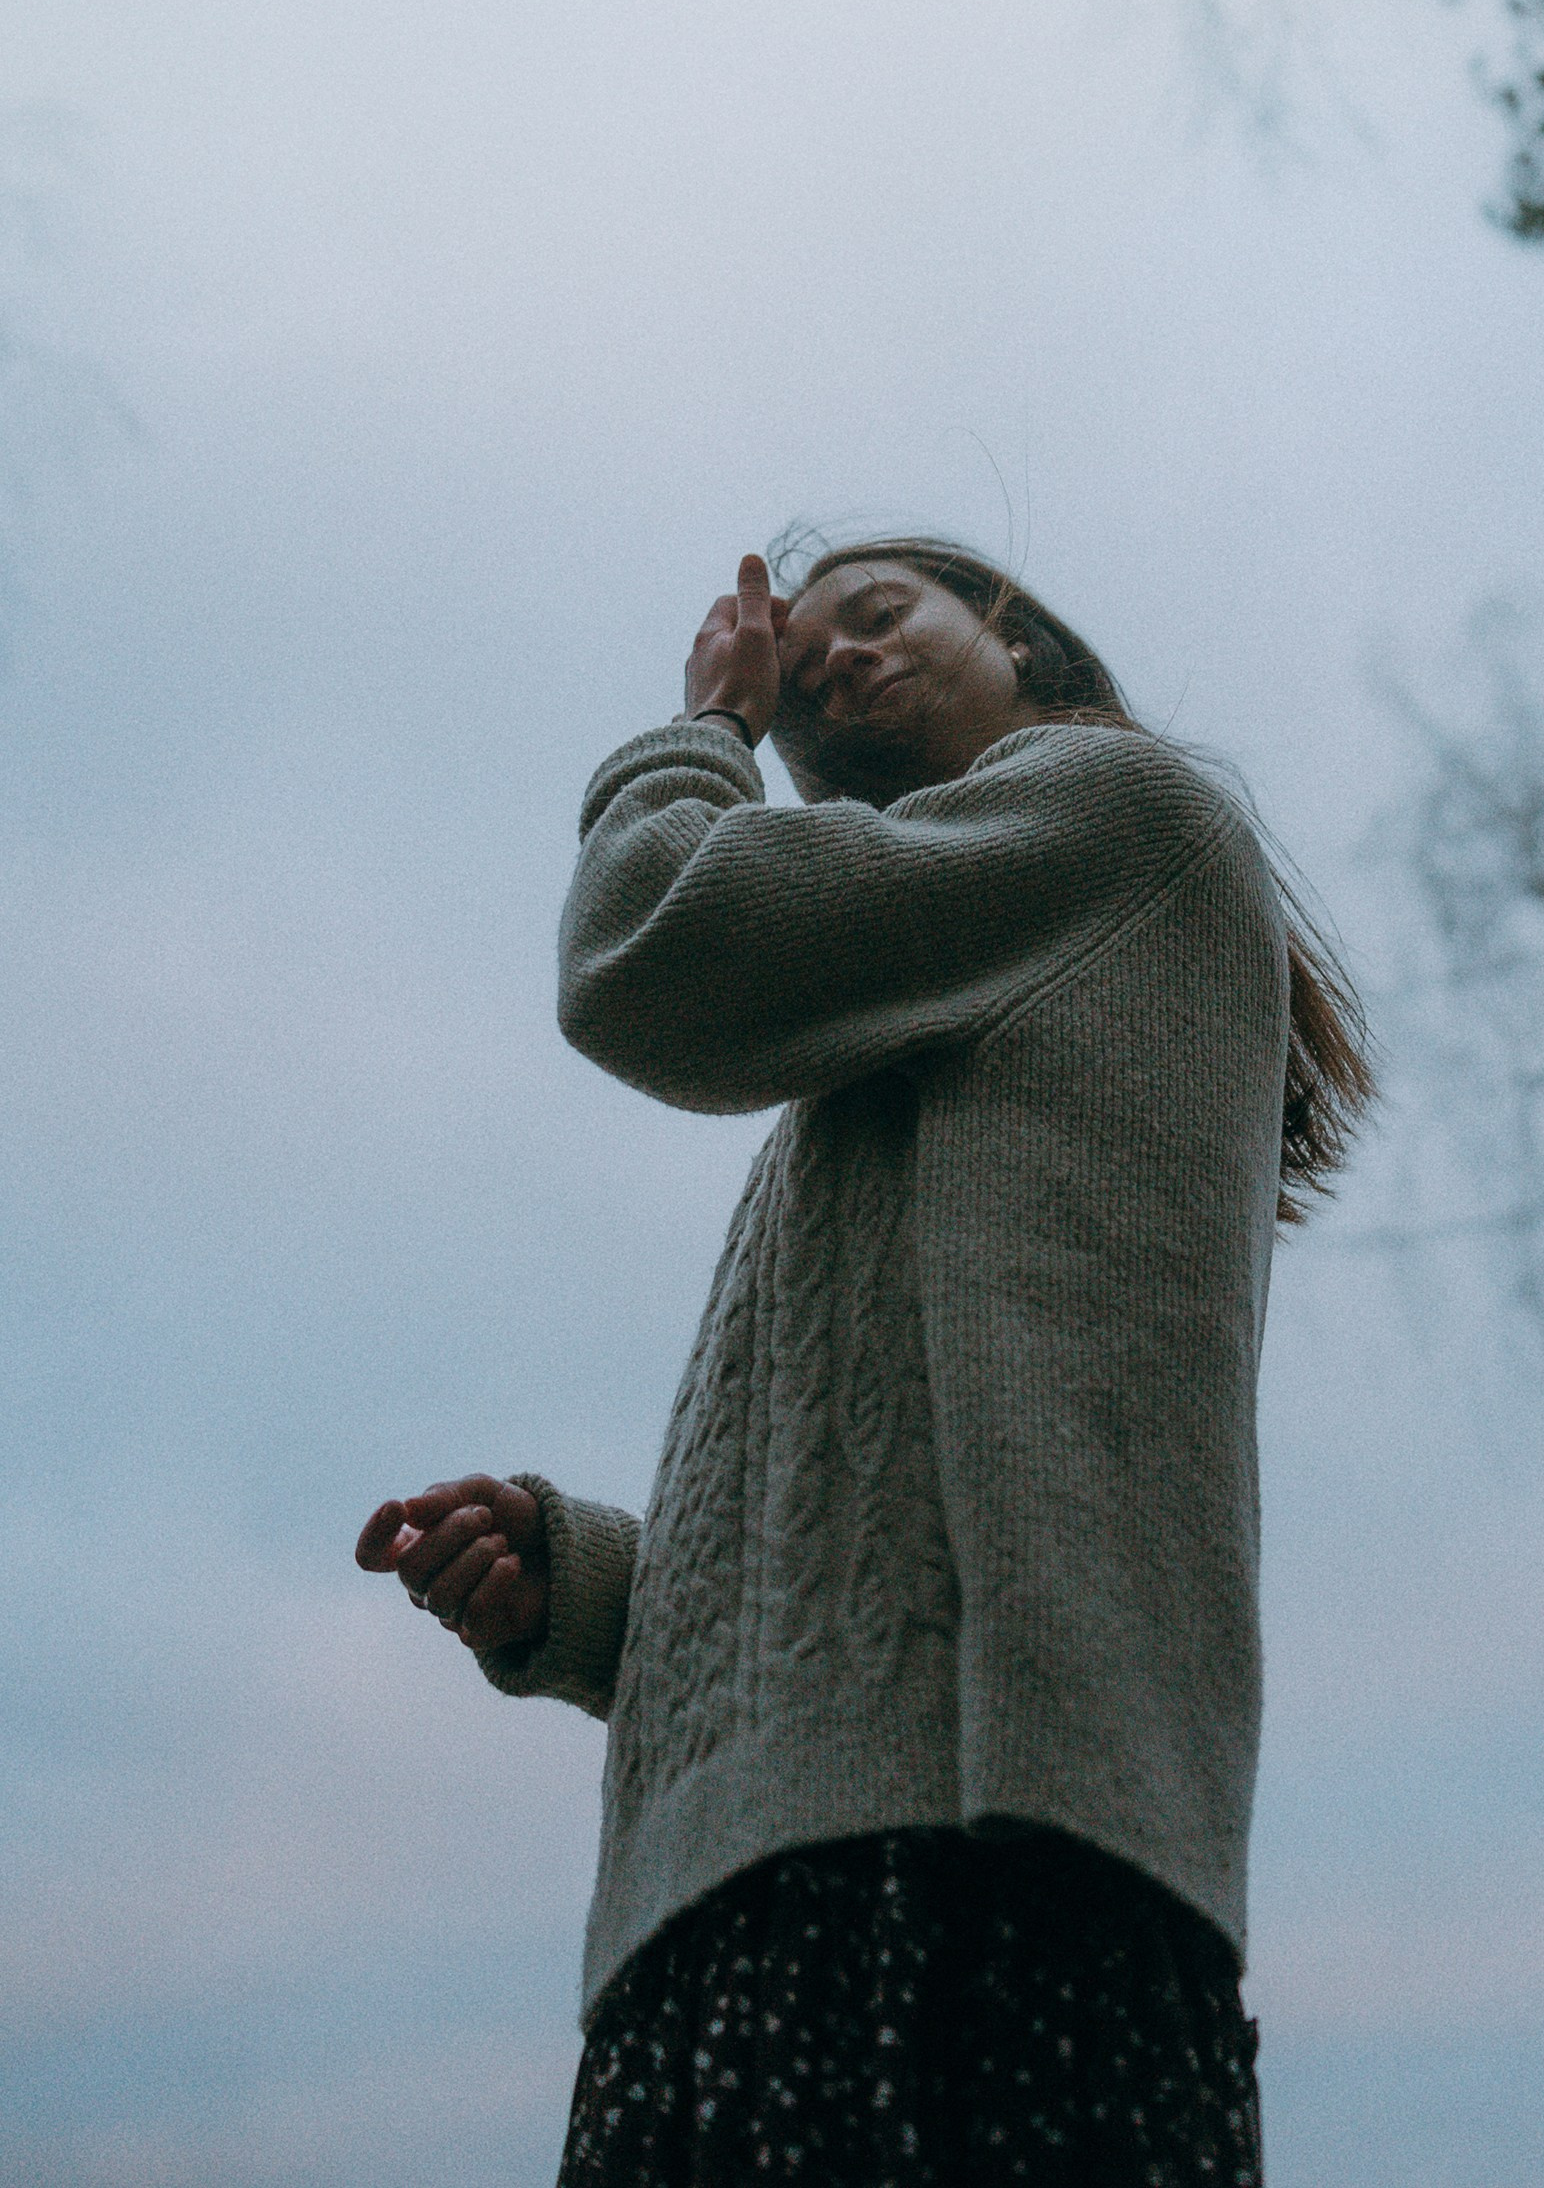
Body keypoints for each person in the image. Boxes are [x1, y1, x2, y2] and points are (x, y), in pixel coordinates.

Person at [356, 538, 1370, 2186]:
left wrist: (708, 734)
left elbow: (646, 954)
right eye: (799, 678)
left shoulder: (1117, 820)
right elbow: (888, 1506)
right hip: (747, 1896)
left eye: (877, 617)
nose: (829, 669)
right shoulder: (911, 1054)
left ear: (1020, 640)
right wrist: (592, 1591)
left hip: (953, 1874)